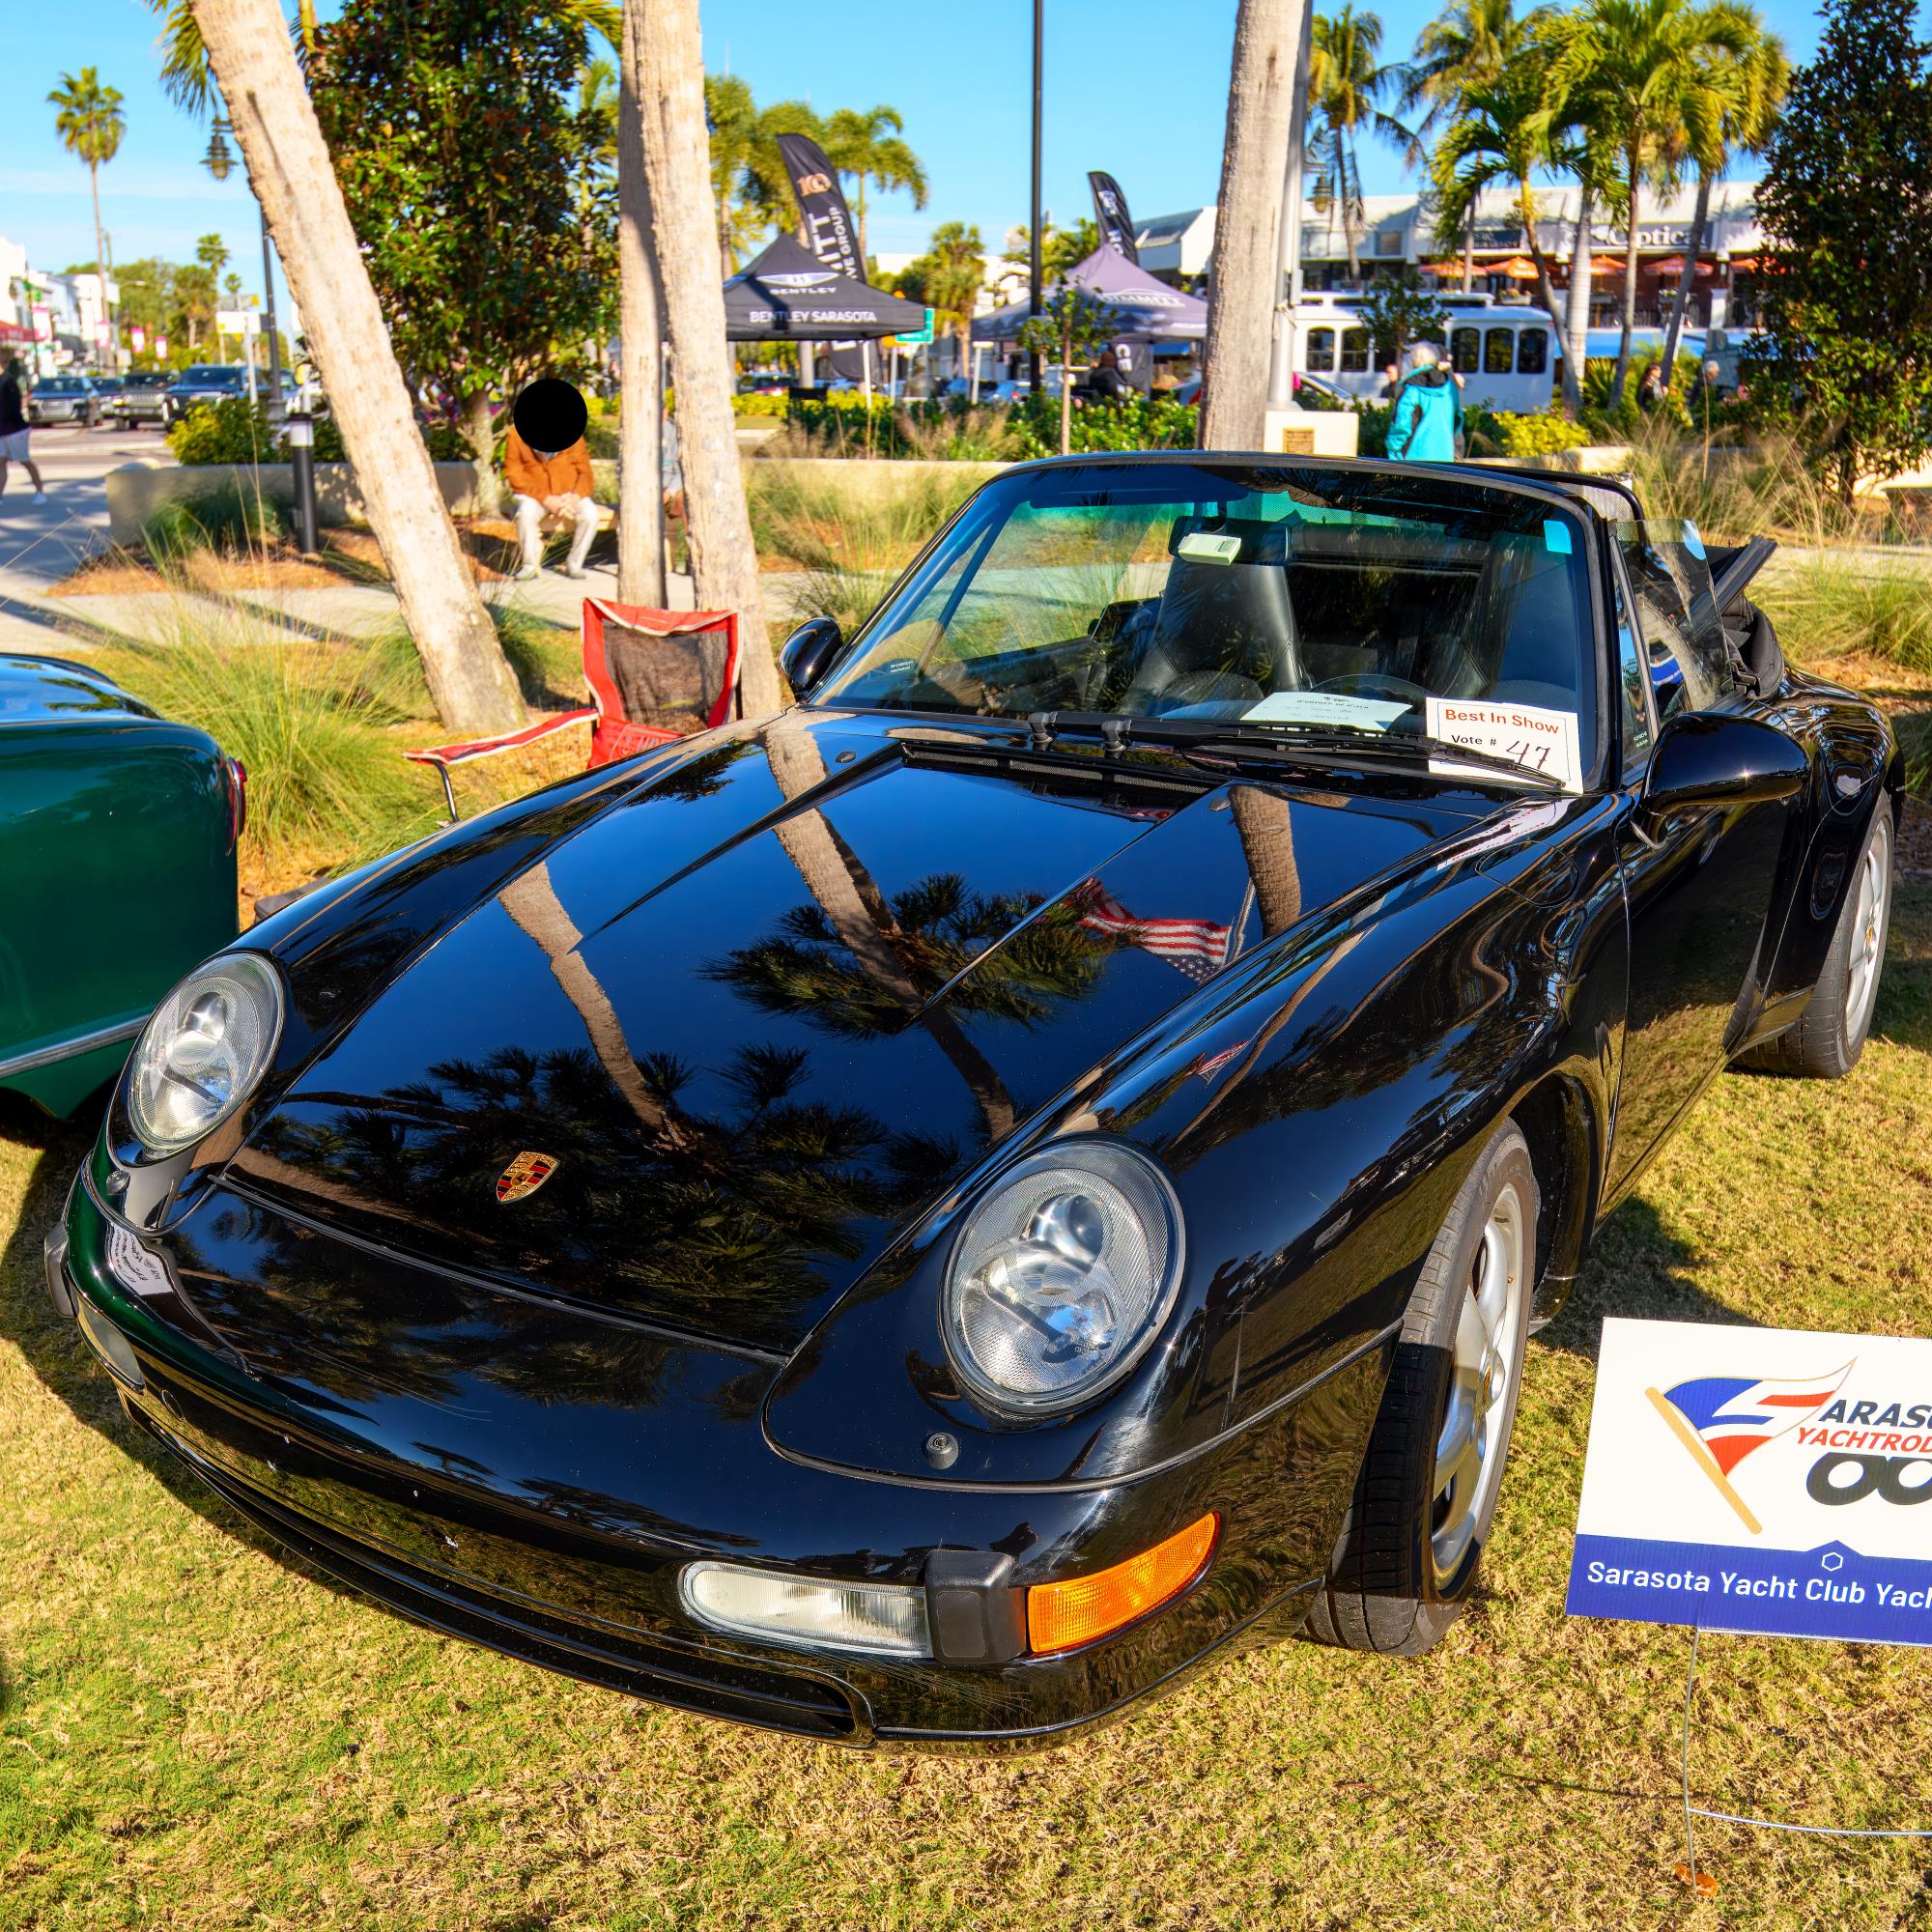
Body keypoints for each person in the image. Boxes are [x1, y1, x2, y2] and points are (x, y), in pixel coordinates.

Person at [503, 378, 600, 581]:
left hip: (569, 495)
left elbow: (586, 473)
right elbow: (513, 473)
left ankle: (574, 564)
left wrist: (574, 497)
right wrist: (546, 499)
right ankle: (529, 566)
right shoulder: (515, 436)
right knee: (525, 513)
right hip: (536, 496)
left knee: (591, 514)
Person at [1385, 341, 1463, 463]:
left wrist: (1394, 456)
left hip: (1414, 461)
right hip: (1446, 458)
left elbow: (1400, 427)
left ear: (1413, 361)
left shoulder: (1411, 390)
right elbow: (1457, 424)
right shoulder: (1451, 388)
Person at [0, 359, 46, 503]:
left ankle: (40, 492)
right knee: (1, 462)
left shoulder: (8, 382)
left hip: (15, 430)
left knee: (24, 461)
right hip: (2, 431)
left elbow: (13, 407)